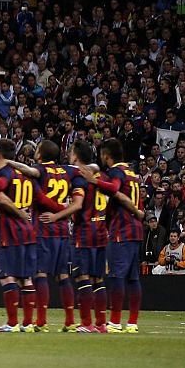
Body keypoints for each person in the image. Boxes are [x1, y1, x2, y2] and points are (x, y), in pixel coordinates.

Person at [0, 140, 61, 332]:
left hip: (10, 232)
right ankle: (28, 323)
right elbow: (43, 199)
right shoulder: (27, 176)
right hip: (29, 231)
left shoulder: (4, 173)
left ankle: (12, 323)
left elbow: (1, 189)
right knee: (26, 279)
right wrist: (64, 210)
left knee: (7, 277)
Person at [25, 142, 78, 330]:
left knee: (40, 274)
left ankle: (41, 321)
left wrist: (59, 209)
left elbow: (39, 198)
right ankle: (70, 321)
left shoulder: (39, 170)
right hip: (63, 230)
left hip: (43, 228)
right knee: (63, 275)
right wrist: (65, 210)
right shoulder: (67, 171)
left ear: (40, 154)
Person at [60, 141, 111, 332]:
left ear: (75, 155)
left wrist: (59, 212)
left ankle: (86, 322)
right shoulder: (100, 176)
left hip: (84, 233)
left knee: (83, 277)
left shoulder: (79, 177)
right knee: (98, 279)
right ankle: (100, 323)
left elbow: (78, 204)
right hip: (100, 232)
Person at [97, 140, 144, 333]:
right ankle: (132, 322)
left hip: (122, 230)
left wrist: (96, 181)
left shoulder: (116, 172)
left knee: (116, 276)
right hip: (136, 230)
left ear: (106, 155)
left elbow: (113, 188)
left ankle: (115, 322)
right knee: (133, 279)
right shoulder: (132, 173)